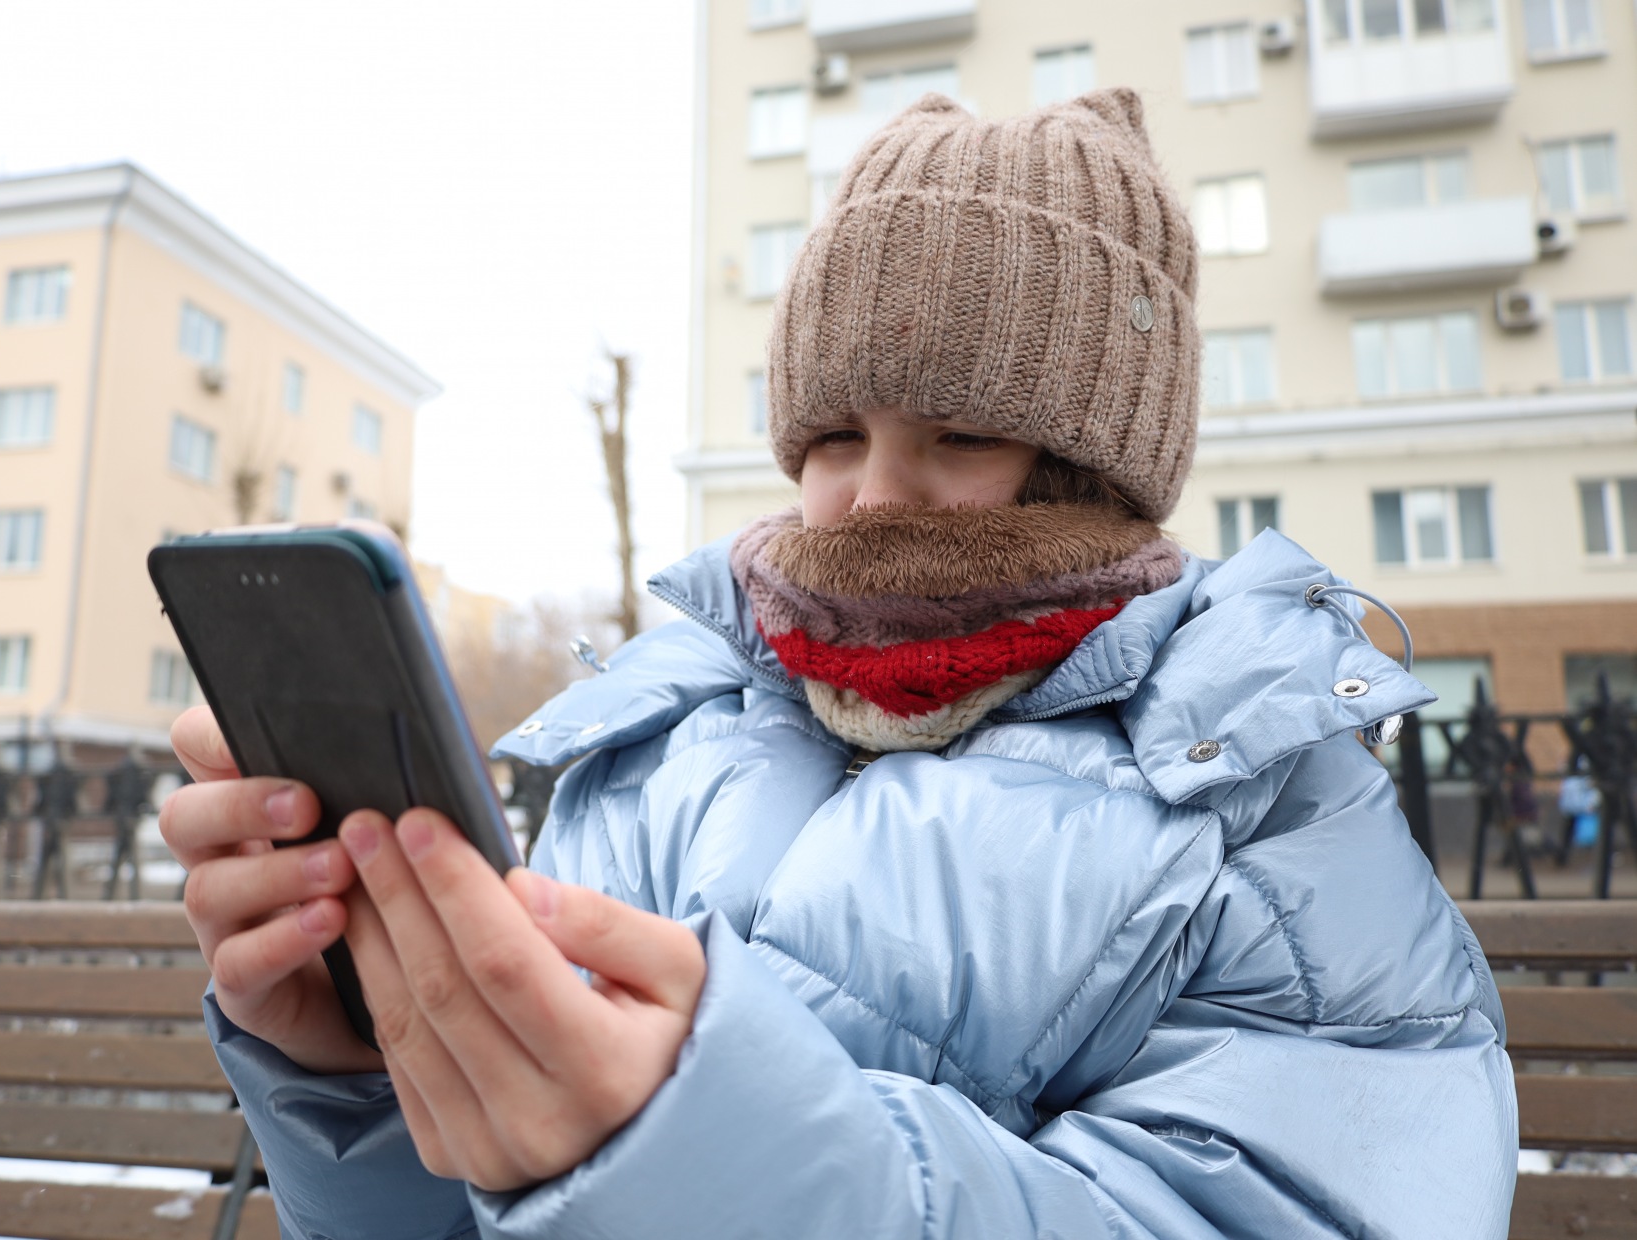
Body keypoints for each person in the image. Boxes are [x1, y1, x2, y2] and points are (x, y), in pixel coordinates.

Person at [163, 90, 1517, 1239]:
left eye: (960, 434)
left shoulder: (1255, 781)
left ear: (1093, 468)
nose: (872, 494)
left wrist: (709, 1158)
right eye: (832, 436)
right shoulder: (661, 741)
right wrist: (366, 1075)